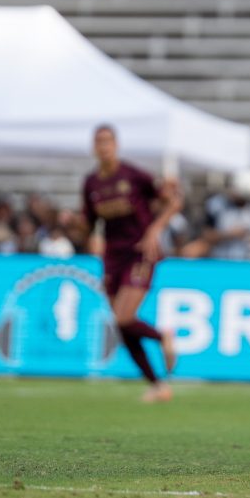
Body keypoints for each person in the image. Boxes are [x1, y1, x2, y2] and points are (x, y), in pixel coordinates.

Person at [79, 124, 181, 402]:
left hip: (139, 251)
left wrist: (153, 231)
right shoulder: (91, 184)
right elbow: (88, 225)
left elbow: (173, 202)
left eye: (108, 141)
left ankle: (163, 337)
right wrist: (72, 223)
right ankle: (157, 385)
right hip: (112, 257)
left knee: (124, 317)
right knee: (120, 323)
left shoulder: (134, 175)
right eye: (99, 141)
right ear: (93, 147)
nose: (104, 146)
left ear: (116, 145)